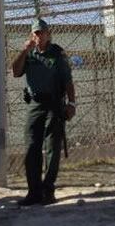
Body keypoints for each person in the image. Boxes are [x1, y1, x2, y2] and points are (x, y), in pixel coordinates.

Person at [12, 18, 75, 206]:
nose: (39, 37)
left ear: (49, 34)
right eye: (36, 33)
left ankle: (48, 190)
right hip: (35, 104)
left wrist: (71, 103)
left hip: (54, 104)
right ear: (32, 35)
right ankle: (34, 192)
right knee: (31, 147)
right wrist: (24, 50)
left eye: (42, 33)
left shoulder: (57, 53)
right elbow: (15, 71)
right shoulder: (28, 54)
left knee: (51, 148)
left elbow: (68, 81)